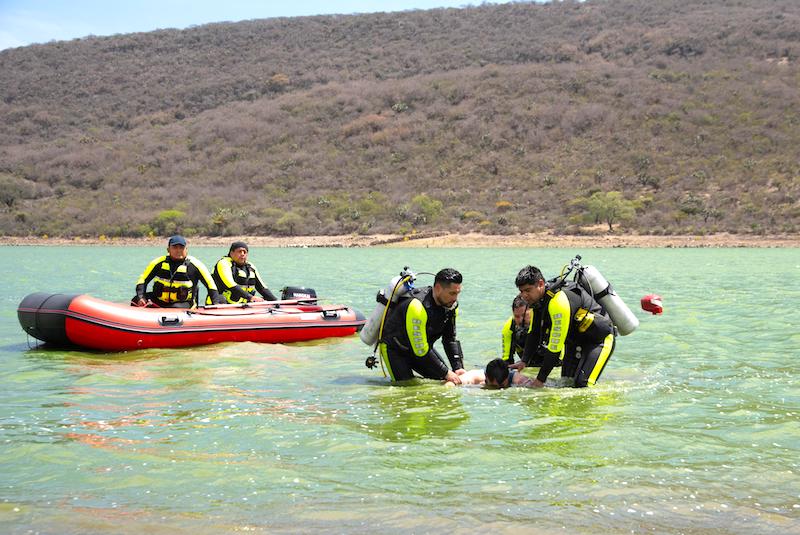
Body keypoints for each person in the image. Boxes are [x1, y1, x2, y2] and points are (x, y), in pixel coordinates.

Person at [512, 265, 615, 388]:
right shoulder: (539, 302)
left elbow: (555, 348)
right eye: (521, 291)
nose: (524, 295)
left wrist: (540, 380)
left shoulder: (558, 302)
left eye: (527, 290)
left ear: (540, 284)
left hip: (598, 341)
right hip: (575, 343)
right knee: (566, 384)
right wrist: (524, 361)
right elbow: (534, 332)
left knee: (584, 385)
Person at [378, 268, 466, 384]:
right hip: (395, 349)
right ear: (438, 288)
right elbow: (420, 350)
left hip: (422, 348)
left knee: (443, 379)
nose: (455, 298)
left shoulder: (451, 306)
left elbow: (449, 339)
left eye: (457, 293)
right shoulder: (417, 306)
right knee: (407, 387)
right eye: (452, 293)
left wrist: (457, 367)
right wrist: (446, 372)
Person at [133, 235, 225, 308]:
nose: (178, 250)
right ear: (168, 249)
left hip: (183, 303)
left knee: (174, 308)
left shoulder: (195, 265)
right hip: (159, 300)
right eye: (175, 247)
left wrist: (215, 303)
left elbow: (210, 284)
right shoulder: (158, 263)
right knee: (135, 300)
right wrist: (141, 297)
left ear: (186, 250)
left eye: (181, 247)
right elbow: (143, 280)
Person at [209, 241, 278, 304]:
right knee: (221, 299)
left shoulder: (250, 267)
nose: (242, 254)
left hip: (242, 306)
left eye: (244, 252)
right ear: (231, 253)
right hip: (221, 304)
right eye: (239, 251)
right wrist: (250, 297)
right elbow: (230, 285)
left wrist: (276, 301)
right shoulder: (223, 264)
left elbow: (262, 288)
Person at [443, 358, 535, 388]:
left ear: (507, 378)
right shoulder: (476, 376)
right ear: (486, 377)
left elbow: (542, 385)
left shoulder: (519, 380)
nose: (498, 389)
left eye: (502, 385)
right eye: (493, 386)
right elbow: (452, 382)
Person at [501, 295, 532, 364]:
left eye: (524, 315)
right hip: (527, 364)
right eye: (517, 316)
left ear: (531, 311)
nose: (520, 320)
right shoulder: (509, 327)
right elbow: (507, 359)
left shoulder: (542, 321)